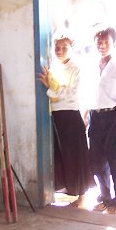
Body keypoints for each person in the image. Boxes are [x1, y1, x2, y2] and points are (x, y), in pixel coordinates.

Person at [37, 33, 95, 207]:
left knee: (75, 155)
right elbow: (56, 92)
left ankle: (82, 195)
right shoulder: (53, 67)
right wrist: (53, 89)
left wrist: (51, 88)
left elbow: (71, 94)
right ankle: (68, 191)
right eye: (57, 48)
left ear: (72, 49)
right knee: (60, 155)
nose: (60, 51)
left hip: (70, 115)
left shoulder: (76, 69)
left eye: (64, 48)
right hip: (55, 115)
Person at [87, 27, 116, 214]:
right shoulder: (90, 66)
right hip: (95, 117)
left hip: (113, 116)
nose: (102, 46)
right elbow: (88, 95)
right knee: (97, 161)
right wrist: (86, 118)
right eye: (99, 43)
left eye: (106, 42)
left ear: (114, 44)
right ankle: (105, 198)